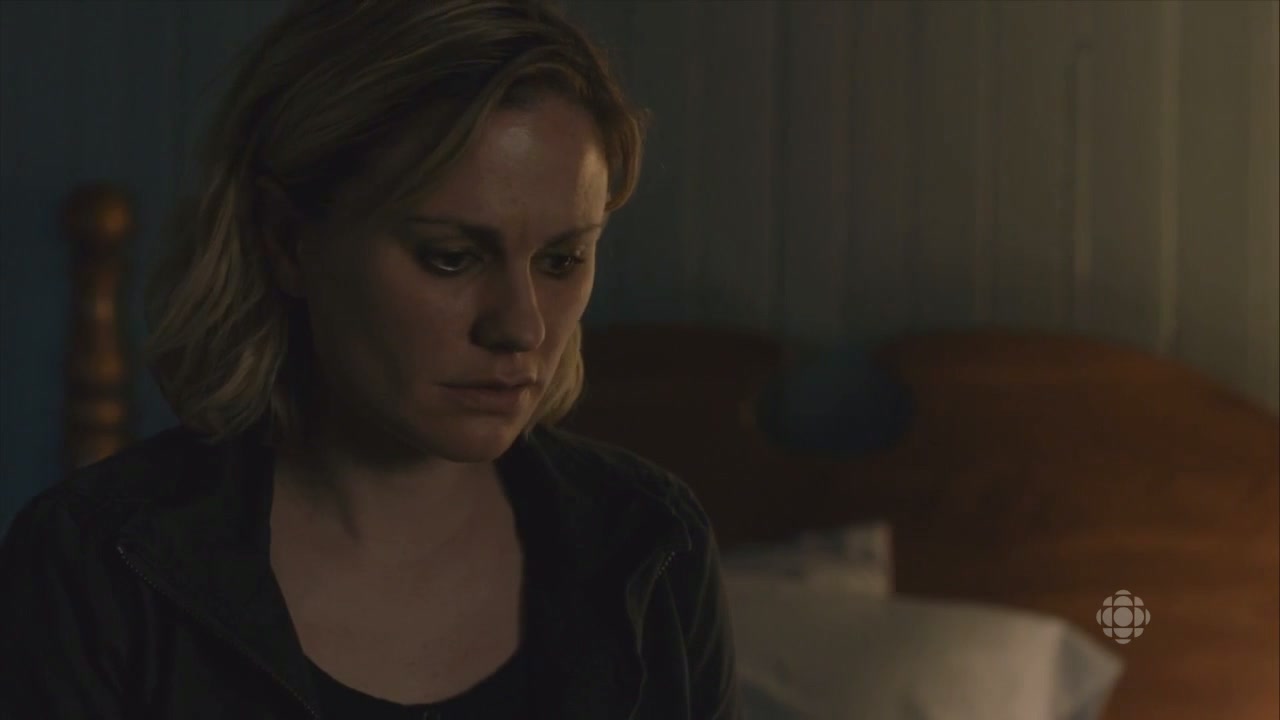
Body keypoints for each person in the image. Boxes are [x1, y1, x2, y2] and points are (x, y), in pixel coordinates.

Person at [0, 1, 741, 718]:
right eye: (450, 257)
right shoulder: (99, 567)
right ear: (287, 240)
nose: (522, 326)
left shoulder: (651, 546)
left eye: (562, 260)